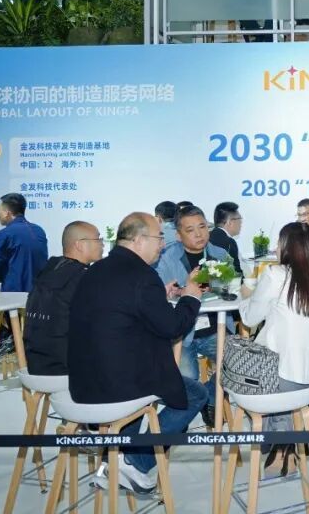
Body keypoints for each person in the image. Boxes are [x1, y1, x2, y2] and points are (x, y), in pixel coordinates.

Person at [68, 212, 207, 494]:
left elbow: (123, 311)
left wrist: (160, 297)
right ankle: (136, 461)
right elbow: (173, 328)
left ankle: (115, 462)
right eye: (159, 238)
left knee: (146, 384)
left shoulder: (95, 269)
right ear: (140, 240)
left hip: (83, 380)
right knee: (195, 394)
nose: (162, 245)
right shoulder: (143, 276)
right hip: (119, 385)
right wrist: (191, 296)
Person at [239, 222, 309, 473]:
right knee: (280, 366)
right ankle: (283, 441)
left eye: (279, 243)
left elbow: (249, 319)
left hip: (280, 380)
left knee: (230, 377)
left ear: (286, 247)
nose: (275, 248)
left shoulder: (275, 275)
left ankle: (276, 441)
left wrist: (245, 295)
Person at [153, 206, 233, 416]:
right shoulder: (165, 258)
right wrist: (183, 291)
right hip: (181, 333)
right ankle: (191, 409)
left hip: (215, 328)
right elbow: (158, 295)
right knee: (186, 380)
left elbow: (231, 288)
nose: (199, 234)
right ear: (178, 236)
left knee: (235, 363)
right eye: (190, 230)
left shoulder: (220, 254)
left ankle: (209, 399)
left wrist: (219, 286)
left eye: (202, 227)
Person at [24, 221, 103, 375]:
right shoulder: (85, 279)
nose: (102, 244)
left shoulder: (48, 270)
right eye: (98, 239)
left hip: (35, 365)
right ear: (80, 245)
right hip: (70, 369)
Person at [0, 193, 48, 293]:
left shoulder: (4, 234)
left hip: (13, 294)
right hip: (38, 293)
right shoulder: (39, 230)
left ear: (7, 213)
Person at [209, 202, 243, 275]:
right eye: (239, 219)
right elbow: (237, 274)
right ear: (230, 222)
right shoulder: (229, 242)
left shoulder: (209, 235)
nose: (241, 223)